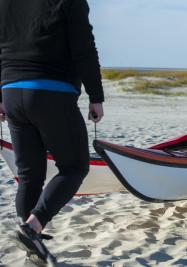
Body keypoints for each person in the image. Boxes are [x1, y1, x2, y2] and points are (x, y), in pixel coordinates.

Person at [0, 0, 104, 264]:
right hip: (52, 92)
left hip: (11, 92)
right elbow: (84, 48)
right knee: (74, 167)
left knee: (29, 176)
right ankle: (33, 228)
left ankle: (30, 242)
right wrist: (96, 96)